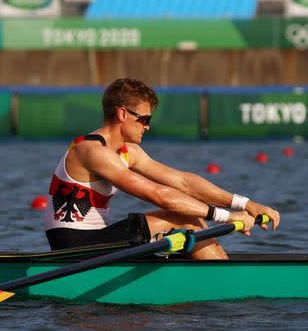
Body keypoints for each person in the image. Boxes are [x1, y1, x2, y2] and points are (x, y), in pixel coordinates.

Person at [44, 77, 280, 259]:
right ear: (122, 114)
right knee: (186, 221)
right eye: (144, 119)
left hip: (98, 239)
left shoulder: (128, 152)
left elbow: (182, 182)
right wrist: (227, 218)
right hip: (73, 247)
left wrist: (245, 204)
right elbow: (159, 195)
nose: (147, 127)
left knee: (191, 221)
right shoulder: (92, 152)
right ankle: (229, 289)